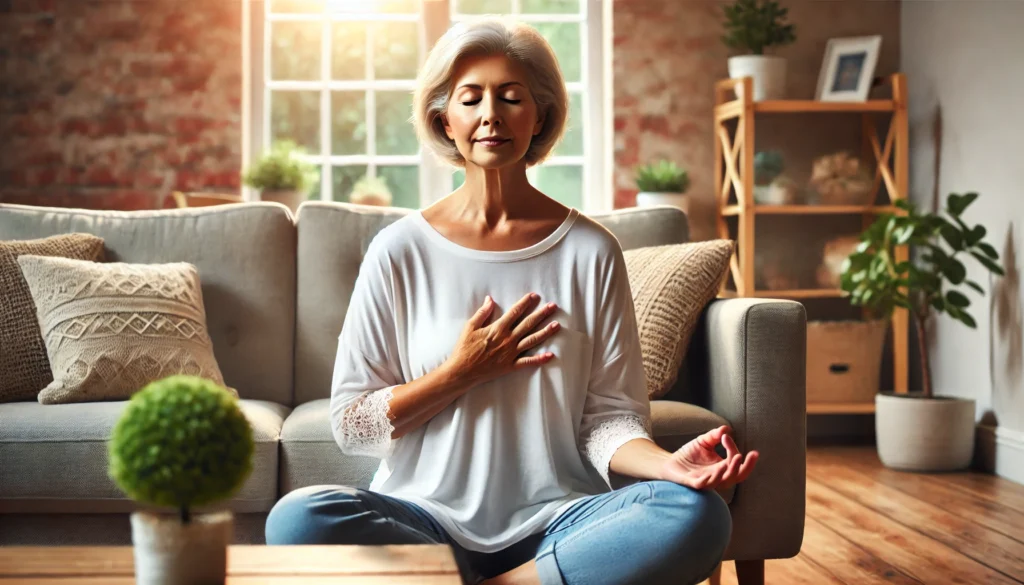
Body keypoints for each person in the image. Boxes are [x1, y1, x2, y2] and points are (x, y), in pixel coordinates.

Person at [265, 18, 758, 585]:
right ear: (443, 120)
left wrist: (668, 467)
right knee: (299, 518)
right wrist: (461, 372)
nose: (490, 115)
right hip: (422, 518)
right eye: (471, 99)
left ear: (540, 115)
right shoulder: (398, 250)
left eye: (511, 97)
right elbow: (353, 425)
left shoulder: (591, 251)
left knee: (696, 515)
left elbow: (608, 421)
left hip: (560, 522)